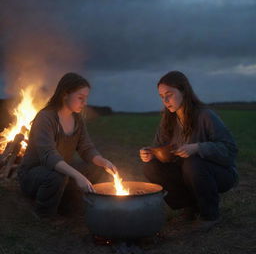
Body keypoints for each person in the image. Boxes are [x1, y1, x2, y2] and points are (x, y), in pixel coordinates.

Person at [140, 70, 238, 230]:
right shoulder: (168, 120)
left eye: (169, 94)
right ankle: (190, 206)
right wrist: (149, 153)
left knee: (192, 163)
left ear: (184, 91)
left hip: (219, 173)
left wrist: (198, 147)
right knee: (150, 168)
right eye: (161, 96)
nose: (165, 100)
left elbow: (230, 149)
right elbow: (158, 148)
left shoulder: (205, 116)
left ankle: (210, 215)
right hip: (187, 173)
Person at [18, 72, 117, 219]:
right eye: (80, 98)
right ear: (65, 94)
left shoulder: (77, 119)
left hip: (61, 170)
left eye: (86, 98)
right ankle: (44, 214)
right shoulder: (46, 118)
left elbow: (86, 148)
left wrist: (103, 162)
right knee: (56, 177)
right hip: (35, 175)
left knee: (97, 168)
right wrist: (78, 176)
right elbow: (49, 156)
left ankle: (69, 201)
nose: (85, 103)